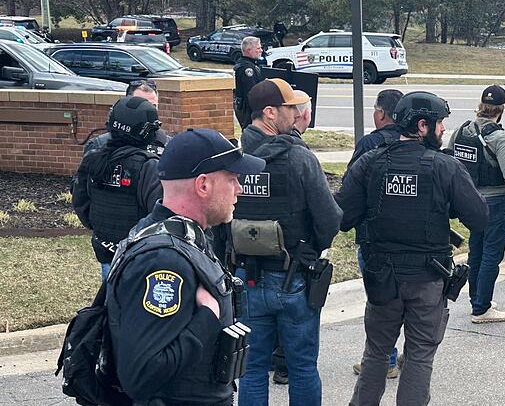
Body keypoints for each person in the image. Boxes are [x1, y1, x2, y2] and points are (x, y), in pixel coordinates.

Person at [336, 91, 488, 405]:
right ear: (422, 125)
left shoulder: (370, 162)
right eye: (440, 123)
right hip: (426, 279)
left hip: (382, 277)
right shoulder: (445, 167)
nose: (443, 129)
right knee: (419, 357)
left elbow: (343, 215)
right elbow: (479, 217)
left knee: (376, 354)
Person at [106, 128, 265, 405]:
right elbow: (141, 374)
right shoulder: (162, 261)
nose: (239, 189)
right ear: (203, 185)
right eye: (232, 179)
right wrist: (208, 317)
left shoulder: (183, 236)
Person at [229, 78, 342, 406]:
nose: (295, 114)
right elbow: (330, 219)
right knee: (302, 367)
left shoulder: (232, 157)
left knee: (251, 369)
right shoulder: (299, 158)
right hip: (293, 278)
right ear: (269, 112)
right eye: (289, 108)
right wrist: (310, 249)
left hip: (245, 277)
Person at [448, 85, 505, 323]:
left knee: (476, 253)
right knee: (491, 256)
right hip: (496, 203)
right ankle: (482, 308)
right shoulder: (500, 137)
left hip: (470, 202)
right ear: (501, 110)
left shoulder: (462, 131)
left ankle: (478, 299)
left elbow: (450, 161)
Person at [72, 96, 163, 281]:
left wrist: (103, 232)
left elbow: (80, 203)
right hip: (141, 258)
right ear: (145, 131)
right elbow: (160, 216)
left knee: (110, 295)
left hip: (106, 250)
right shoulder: (148, 166)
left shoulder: (93, 158)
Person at [346, 89, 404, 378]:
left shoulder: (369, 144)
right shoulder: (417, 141)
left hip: (374, 238)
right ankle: (410, 354)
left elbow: (351, 188)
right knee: (412, 300)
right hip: (413, 238)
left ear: (381, 113)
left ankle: (385, 360)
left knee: (380, 302)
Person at [83, 80, 170, 156]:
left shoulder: (167, 144)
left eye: (153, 106)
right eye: (141, 105)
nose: (149, 110)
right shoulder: (100, 145)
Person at [234, 36, 265, 129]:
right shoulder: (246, 68)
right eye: (258, 48)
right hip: (248, 109)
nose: (261, 50)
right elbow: (251, 92)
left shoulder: (250, 64)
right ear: (249, 51)